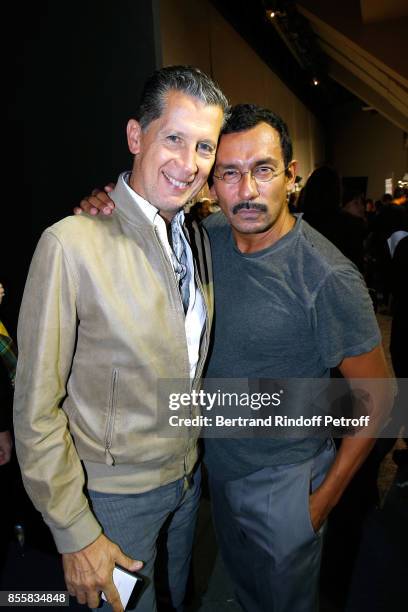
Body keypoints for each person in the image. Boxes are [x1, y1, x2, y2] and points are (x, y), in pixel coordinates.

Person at [81, 103, 394, 612]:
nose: (246, 191)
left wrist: (319, 505)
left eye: (263, 170)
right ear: (211, 182)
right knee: (244, 594)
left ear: (290, 176)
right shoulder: (205, 240)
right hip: (216, 470)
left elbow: (380, 399)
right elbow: (138, 229)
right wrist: (105, 206)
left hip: (287, 481)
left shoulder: (325, 276)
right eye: (229, 173)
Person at [13, 65, 228, 612]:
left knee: (177, 600)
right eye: (173, 138)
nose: (189, 163)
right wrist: (75, 530)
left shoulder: (195, 238)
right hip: (111, 502)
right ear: (136, 136)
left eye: (204, 146)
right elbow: (35, 408)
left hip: (185, 482)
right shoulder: (69, 244)